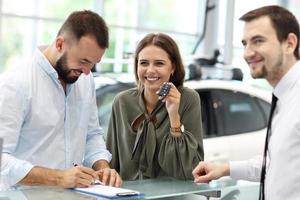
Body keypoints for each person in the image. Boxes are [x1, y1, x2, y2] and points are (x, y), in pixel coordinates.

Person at [0, 10, 122, 189]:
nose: (88, 71)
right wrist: (58, 178)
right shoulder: (16, 82)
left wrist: (103, 167)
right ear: (59, 44)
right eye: (83, 61)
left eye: (93, 64)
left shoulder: (85, 80)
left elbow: (92, 135)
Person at [192, 5, 300, 200]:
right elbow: (278, 165)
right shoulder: (283, 97)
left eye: (258, 41)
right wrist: (225, 169)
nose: (247, 53)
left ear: (290, 44)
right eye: (245, 43)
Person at [106, 33, 204, 180]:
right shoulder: (122, 102)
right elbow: (112, 163)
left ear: (173, 67)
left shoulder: (188, 99)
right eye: (144, 63)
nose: (150, 70)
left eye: (159, 63)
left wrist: (174, 116)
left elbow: (192, 168)